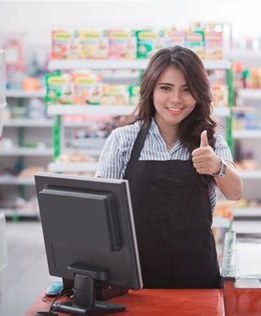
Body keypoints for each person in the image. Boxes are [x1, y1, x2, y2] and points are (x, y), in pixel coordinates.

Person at [96, 45, 243, 289]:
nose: (176, 99)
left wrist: (217, 166)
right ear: (150, 90)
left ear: (198, 94)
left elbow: (236, 191)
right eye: (166, 88)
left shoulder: (211, 142)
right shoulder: (123, 140)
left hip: (197, 277)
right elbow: (101, 212)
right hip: (135, 279)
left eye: (187, 90)